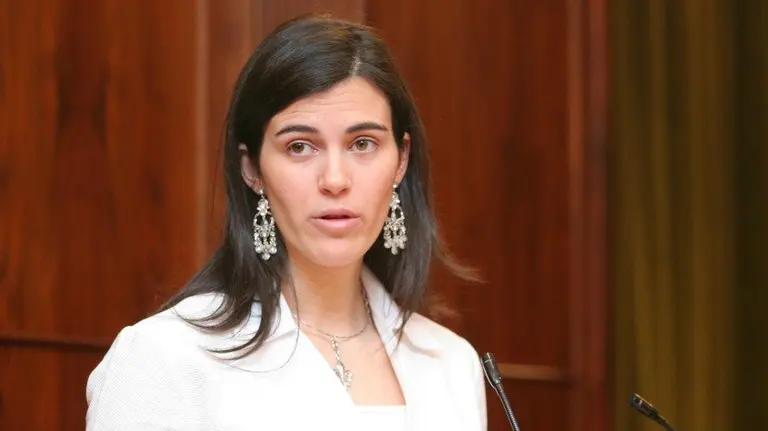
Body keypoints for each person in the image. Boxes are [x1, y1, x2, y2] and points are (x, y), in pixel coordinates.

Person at [85, 14, 487, 431]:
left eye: (362, 144)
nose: (335, 179)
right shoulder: (168, 357)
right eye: (300, 146)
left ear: (400, 160)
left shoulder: (452, 363)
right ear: (251, 167)